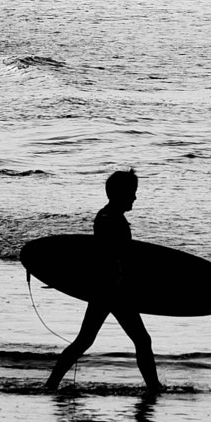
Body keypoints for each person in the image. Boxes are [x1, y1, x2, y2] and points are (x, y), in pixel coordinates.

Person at [44, 169, 163, 394]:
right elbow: (108, 257)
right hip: (112, 291)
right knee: (140, 340)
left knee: (86, 340)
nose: (135, 197)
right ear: (120, 193)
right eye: (132, 193)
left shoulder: (110, 216)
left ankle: (51, 384)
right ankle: (154, 388)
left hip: (106, 290)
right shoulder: (109, 219)